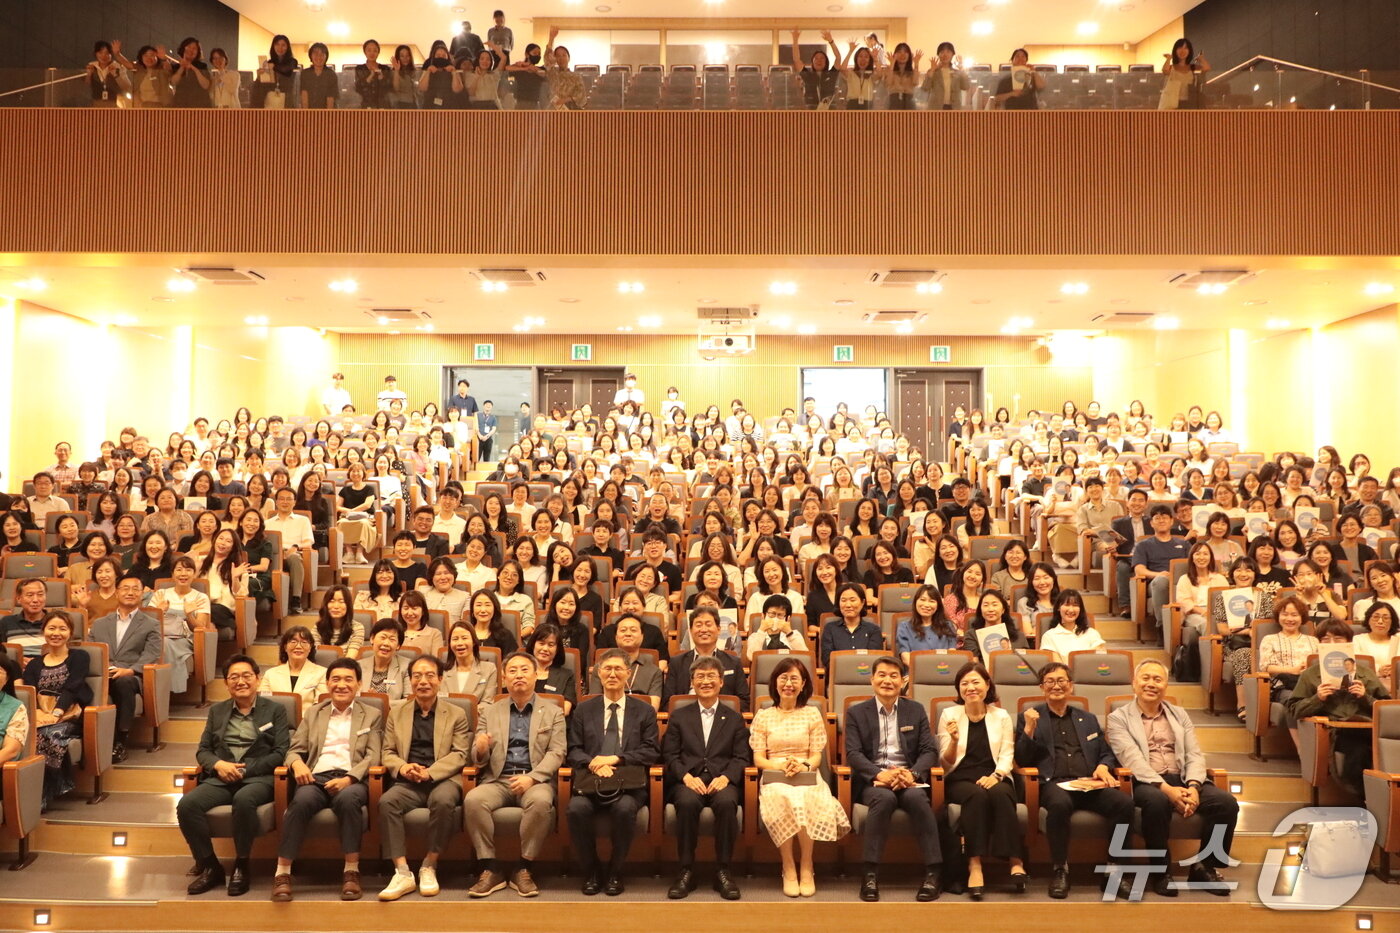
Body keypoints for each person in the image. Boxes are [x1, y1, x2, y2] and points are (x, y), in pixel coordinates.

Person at [1106, 659, 1239, 896]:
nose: (1151, 684)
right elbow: (1131, 759)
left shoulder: (1179, 714)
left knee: (1226, 803)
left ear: (1166, 685)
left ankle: (1204, 867)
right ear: (1134, 683)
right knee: (1156, 803)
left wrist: (1194, 786)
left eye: (1158, 679)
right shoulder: (1118, 718)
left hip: (1184, 777)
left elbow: (1194, 753)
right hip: (1146, 781)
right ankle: (1161, 872)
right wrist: (1168, 790)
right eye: (1145, 678)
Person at [1014, 661, 1135, 900]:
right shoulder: (1030, 717)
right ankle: (1061, 869)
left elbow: (1106, 751)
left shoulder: (1087, 718)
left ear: (1071, 686)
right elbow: (1020, 758)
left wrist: (1103, 766)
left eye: (1061, 681)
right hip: (1053, 783)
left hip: (1089, 783)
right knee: (1059, 805)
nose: (1056, 686)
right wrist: (1028, 729)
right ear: (1042, 687)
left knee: (1124, 804)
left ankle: (1114, 871)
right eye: (1050, 681)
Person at [273, 657, 383, 902]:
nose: (341, 685)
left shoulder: (372, 714)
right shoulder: (314, 712)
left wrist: (350, 778)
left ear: (358, 684)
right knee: (299, 803)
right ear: (327, 683)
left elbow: (374, 755)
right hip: (316, 776)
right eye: (335, 679)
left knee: (348, 801)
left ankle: (351, 871)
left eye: (348, 680)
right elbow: (294, 749)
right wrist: (297, 763)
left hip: (353, 779)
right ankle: (282, 873)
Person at [179, 655, 291, 896]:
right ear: (226, 684)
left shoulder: (275, 710)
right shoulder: (217, 711)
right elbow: (203, 750)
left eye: (246, 676)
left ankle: (242, 863)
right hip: (221, 776)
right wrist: (219, 765)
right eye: (234, 677)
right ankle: (210, 866)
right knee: (187, 805)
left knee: (244, 799)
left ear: (258, 680)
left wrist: (246, 769)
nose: (241, 681)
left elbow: (281, 752)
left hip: (258, 778)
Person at [464, 651, 567, 898]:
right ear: (504, 677)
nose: (518, 675)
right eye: (512, 671)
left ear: (535, 675)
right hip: (498, 779)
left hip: (535, 780)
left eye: (524, 670)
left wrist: (532, 777)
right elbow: (478, 758)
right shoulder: (490, 712)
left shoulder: (553, 712)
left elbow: (558, 752)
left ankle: (524, 866)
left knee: (541, 801)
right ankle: (490, 867)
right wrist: (480, 749)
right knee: (473, 800)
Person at [844, 656, 942, 902]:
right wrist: (880, 774)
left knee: (919, 799)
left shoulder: (915, 709)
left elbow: (929, 751)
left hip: (909, 778)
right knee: (884, 799)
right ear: (872, 679)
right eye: (882, 675)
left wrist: (912, 774)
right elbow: (853, 754)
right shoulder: (856, 712)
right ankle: (870, 873)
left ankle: (933, 872)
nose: (887, 680)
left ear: (903, 681)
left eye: (893, 676)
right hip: (874, 781)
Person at [751, 656, 848, 896]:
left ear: (803, 684)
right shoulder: (764, 715)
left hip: (805, 775)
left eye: (795, 678)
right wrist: (781, 764)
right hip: (775, 776)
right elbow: (759, 759)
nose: (788, 683)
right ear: (774, 683)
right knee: (784, 797)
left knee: (805, 798)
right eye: (783, 678)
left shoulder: (812, 714)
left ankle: (807, 864)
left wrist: (802, 765)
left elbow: (816, 757)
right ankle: (788, 865)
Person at [566, 648, 661, 895]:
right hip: (591, 780)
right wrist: (595, 763)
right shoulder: (583, 710)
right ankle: (592, 870)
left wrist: (616, 759)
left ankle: (616, 871)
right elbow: (573, 750)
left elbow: (651, 751)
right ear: (598, 673)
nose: (612, 674)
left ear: (628, 674)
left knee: (625, 809)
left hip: (628, 782)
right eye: (607, 669)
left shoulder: (644, 710)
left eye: (618, 669)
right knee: (576, 809)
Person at [377, 655, 471, 901]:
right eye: (417, 676)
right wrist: (403, 767)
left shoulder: (457, 713)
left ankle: (429, 865)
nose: (423, 681)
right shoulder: (397, 713)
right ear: (410, 680)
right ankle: (402, 872)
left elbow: (461, 753)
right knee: (387, 802)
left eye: (430, 675)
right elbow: (387, 752)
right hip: (408, 780)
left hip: (443, 779)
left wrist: (431, 772)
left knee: (443, 801)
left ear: (440, 680)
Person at [661, 655, 750, 900]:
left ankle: (723, 870)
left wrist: (727, 777)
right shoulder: (680, 716)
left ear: (721, 682)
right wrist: (686, 777)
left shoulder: (733, 717)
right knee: (687, 803)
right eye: (700, 676)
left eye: (712, 676)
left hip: (722, 780)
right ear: (692, 682)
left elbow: (742, 756)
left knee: (726, 802)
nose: (706, 681)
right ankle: (686, 869)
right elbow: (669, 754)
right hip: (688, 781)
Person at [938, 662, 1024, 899]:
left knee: (1001, 793)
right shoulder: (949, 715)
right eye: (964, 683)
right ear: (959, 689)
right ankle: (974, 864)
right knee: (976, 795)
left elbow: (1007, 753)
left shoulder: (1001, 715)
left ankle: (1015, 861)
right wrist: (954, 740)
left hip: (994, 773)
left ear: (987, 685)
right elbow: (945, 762)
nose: (970, 687)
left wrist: (996, 776)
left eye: (976, 682)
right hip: (960, 776)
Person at [1286, 619, 1389, 796]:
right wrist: (1317, 698)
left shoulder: (1365, 673)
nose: (1332, 644)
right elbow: (1294, 710)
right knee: (1358, 748)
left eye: (1338, 639)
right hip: (1334, 732)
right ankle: (1364, 800)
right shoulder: (1311, 674)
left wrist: (1365, 697)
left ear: (1349, 642)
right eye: (1326, 639)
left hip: (1366, 729)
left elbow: (1387, 710)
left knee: (1366, 744)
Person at [88, 574, 161, 762]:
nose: (130, 593)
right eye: (125, 588)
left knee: (124, 682)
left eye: (135, 589)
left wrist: (130, 670)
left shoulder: (151, 624)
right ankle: (87, 738)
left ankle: (120, 740)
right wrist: (103, 669)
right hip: (103, 673)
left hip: (131, 675)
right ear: (117, 593)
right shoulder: (100, 623)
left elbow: (151, 654)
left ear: (142, 594)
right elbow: (92, 650)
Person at [21, 612, 90, 807]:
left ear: (70, 632)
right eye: (51, 628)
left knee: (47, 734)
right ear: (43, 631)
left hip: (70, 716)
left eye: (62, 628)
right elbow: (30, 692)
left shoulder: (79, 657)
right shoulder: (34, 664)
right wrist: (39, 714)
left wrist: (56, 713)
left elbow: (73, 686)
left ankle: (43, 793)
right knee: (32, 733)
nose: (56, 633)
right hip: (42, 716)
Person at [664, 607, 749, 710]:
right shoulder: (677, 662)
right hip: (686, 720)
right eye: (698, 625)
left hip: (723, 719)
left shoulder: (733, 662)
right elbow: (667, 703)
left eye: (708, 625)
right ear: (690, 631)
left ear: (718, 629)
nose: (703, 630)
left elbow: (744, 702)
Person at [150, 556, 212, 694]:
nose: (183, 574)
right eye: (179, 570)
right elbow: (148, 624)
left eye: (188, 570)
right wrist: (159, 611)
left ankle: (162, 690)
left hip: (185, 640)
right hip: (159, 637)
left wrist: (189, 614)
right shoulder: (161, 594)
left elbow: (201, 628)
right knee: (159, 642)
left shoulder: (200, 597)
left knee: (164, 643)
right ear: (172, 574)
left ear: (194, 574)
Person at [1131, 504, 1189, 631]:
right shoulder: (1143, 545)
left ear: (1172, 521)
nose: (1161, 521)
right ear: (1151, 523)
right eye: (1157, 518)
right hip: (1155, 582)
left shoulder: (1183, 544)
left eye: (1165, 517)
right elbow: (1139, 569)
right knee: (1161, 582)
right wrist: (1159, 574)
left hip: (1180, 582)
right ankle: (1162, 627)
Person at [265, 487, 313, 614]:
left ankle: (296, 599)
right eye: (281, 499)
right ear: (276, 502)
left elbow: (309, 541)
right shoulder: (267, 523)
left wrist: (295, 547)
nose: (285, 502)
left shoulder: (303, 520)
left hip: (294, 553)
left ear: (294, 502)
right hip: (274, 555)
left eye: (288, 499)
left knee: (294, 558)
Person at [259, 626, 328, 708]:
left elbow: (321, 705)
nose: (298, 646)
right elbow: (262, 702)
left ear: (310, 647)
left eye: (304, 642)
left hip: (307, 719)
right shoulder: (270, 674)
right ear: (285, 647)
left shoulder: (322, 673)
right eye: (293, 642)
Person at [819, 583, 883, 668]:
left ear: (862, 602)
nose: (848, 605)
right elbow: (827, 659)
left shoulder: (874, 630)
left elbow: (874, 660)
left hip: (865, 676)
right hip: (838, 677)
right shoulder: (830, 628)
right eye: (843, 600)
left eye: (852, 600)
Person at [358, 618, 410, 701]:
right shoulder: (358, 666)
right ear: (372, 639)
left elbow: (409, 701)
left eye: (392, 639)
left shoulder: (407, 666)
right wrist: (368, 700)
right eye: (383, 637)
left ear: (398, 645)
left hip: (394, 713)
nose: (386, 643)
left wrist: (382, 702)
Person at [1159, 37, 1209, 110]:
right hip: (1172, 102)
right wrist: (1169, 58)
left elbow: (1206, 68)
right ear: (1175, 50)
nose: (1182, 50)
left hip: (1189, 102)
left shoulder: (1192, 67)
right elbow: (1165, 70)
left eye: (1185, 48)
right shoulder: (1172, 67)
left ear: (1189, 51)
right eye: (1180, 48)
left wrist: (1201, 59)